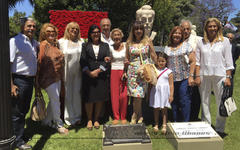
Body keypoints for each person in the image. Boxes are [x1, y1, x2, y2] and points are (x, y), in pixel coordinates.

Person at [195, 18, 234, 135]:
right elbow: (197, 61)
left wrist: (228, 77)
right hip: (204, 75)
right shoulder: (201, 42)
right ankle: (206, 124)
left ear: (218, 28)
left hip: (220, 75)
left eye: (214, 26)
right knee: (204, 101)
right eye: (210, 26)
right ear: (206, 28)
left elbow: (229, 61)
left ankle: (219, 128)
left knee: (220, 102)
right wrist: (197, 75)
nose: (212, 28)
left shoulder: (225, 41)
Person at [10, 17, 38, 150]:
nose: (31, 28)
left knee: (24, 110)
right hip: (19, 80)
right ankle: (18, 141)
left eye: (33, 26)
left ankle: (18, 135)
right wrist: (11, 85)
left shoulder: (34, 43)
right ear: (22, 27)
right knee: (17, 112)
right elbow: (8, 64)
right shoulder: (15, 41)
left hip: (30, 80)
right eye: (29, 26)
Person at [37, 23, 68, 134]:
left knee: (53, 100)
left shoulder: (54, 45)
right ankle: (58, 124)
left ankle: (46, 121)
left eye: (53, 32)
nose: (51, 34)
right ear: (44, 33)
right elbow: (39, 63)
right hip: (47, 78)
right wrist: (36, 83)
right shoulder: (43, 45)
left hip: (57, 77)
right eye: (48, 31)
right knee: (55, 100)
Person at [124, 21, 157, 124]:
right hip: (132, 71)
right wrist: (125, 70)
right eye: (136, 29)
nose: (138, 31)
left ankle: (134, 115)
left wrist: (156, 68)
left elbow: (153, 55)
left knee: (139, 94)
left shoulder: (148, 41)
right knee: (134, 95)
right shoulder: (129, 43)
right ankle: (140, 115)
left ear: (143, 30)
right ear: (133, 31)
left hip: (143, 72)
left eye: (140, 29)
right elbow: (127, 58)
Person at [80, 24, 111, 130]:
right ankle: (89, 119)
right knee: (89, 99)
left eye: (98, 32)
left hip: (101, 76)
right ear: (90, 34)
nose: (96, 34)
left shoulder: (105, 46)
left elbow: (107, 61)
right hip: (88, 76)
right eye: (94, 32)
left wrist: (98, 71)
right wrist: (89, 73)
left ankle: (96, 119)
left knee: (99, 98)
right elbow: (82, 60)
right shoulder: (85, 45)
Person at [164, 26, 195, 122]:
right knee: (173, 100)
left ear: (181, 35)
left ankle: (185, 122)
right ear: (171, 34)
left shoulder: (186, 46)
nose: (177, 35)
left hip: (184, 78)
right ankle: (176, 121)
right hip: (171, 79)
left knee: (184, 100)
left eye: (179, 33)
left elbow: (193, 61)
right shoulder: (167, 48)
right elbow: (164, 62)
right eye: (175, 33)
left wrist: (191, 76)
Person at [59, 22, 84, 126]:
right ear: (68, 30)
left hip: (78, 72)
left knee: (77, 94)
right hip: (66, 72)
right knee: (68, 94)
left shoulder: (81, 41)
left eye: (76, 29)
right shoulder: (61, 42)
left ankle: (78, 117)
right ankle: (69, 118)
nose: (74, 30)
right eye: (72, 28)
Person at [180, 19, 201, 121]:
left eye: (188, 29)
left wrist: (196, 75)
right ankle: (183, 116)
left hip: (194, 70)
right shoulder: (178, 38)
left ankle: (193, 118)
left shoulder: (196, 40)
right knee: (183, 96)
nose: (185, 31)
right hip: (181, 72)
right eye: (183, 29)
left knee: (195, 96)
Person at [149, 52, 174, 134]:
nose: (161, 63)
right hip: (156, 91)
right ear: (156, 61)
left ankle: (164, 125)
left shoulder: (169, 72)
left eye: (163, 61)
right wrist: (149, 93)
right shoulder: (154, 70)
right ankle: (156, 124)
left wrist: (171, 95)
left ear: (166, 61)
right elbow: (150, 82)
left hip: (164, 92)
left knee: (164, 109)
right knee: (156, 108)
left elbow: (171, 85)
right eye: (159, 61)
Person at [109, 28, 128, 125]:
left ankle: (123, 116)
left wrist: (125, 70)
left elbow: (128, 60)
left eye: (118, 35)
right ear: (112, 37)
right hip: (113, 71)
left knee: (124, 95)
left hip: (124, 72)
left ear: (121, 36)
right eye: (114, 35)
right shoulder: (110, 47)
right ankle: (116, 117)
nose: (116, 37)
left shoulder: (126, 46)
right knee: (114, 95)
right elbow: (109, 59)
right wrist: (107, 59)